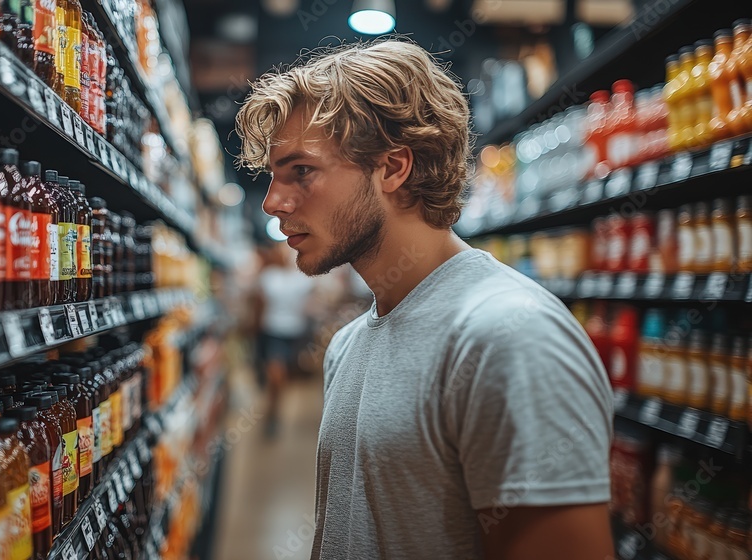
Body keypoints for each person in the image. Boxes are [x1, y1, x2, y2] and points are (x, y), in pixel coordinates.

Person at [234, 38, 614, 560]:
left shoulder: (508, 338)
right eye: (274, 177)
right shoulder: (348, 344)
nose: (275, 203)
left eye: (302, 171)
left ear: (393, 168)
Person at [256, 243, 314, 436]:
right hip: (273, 331)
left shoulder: (303, 279)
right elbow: (259, 306)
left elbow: (312, 303)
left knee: (284, 378)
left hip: (295, 333)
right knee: (276, 374)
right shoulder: (269, 277)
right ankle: (273, 413)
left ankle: (275, 407)